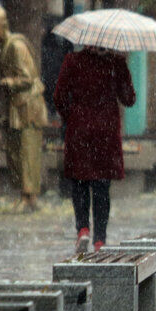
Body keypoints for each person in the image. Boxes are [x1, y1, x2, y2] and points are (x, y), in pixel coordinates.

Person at [52, 46, 136, 254]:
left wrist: (71, 117)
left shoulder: (72, 60)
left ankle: (82, 229)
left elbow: (58, 96)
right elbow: (129, 99)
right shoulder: (115, 63)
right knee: (101, 187)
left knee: (79, 183)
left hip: (79, 130)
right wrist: (123, 73)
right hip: (105, 132)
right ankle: (100, 240)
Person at [0, 4, 48, 212]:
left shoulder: (16, 46)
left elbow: (27, 78)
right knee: (15, 152)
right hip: (15, 106)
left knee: (28, 151)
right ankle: (23, 192)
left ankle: (30, 196)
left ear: (2, 26)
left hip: (28, 106)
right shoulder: (1, 47)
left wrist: (6, 82)